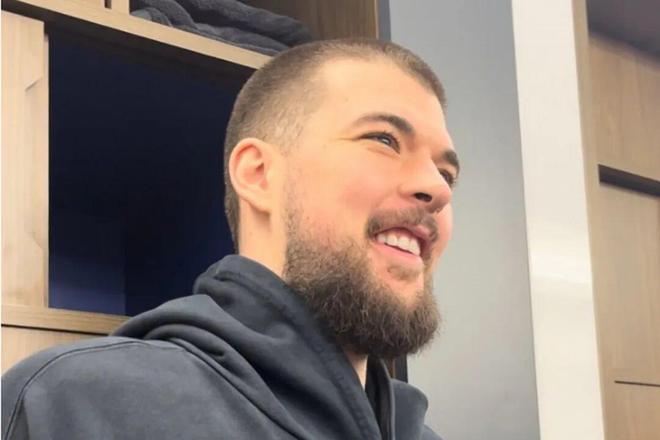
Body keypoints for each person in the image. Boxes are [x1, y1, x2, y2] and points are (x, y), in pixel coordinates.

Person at [2, 38, 460, 440]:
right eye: (384, 139)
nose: (438, 189)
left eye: (446, 173)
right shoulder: (71, 406)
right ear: (258, 174)